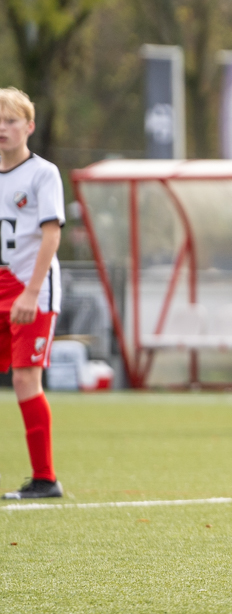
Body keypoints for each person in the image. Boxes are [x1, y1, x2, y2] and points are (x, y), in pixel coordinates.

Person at [0, 87, 65, 500]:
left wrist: (32, 293)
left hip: (31, 289)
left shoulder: (43, 173)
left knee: (26, 378)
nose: (2, 129)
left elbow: (51, 234)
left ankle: (45, 479)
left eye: (10, 121)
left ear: (29, 126)